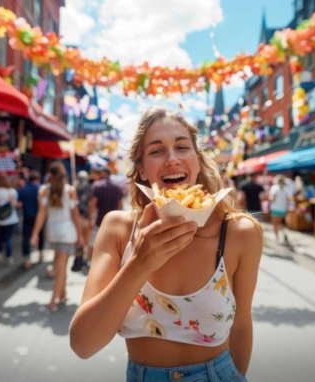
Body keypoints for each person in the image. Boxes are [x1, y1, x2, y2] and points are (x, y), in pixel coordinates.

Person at [69, 108, 262, 381]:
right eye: (156, 151)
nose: (172, 159)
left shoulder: (240, 233)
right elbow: (83, 345)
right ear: (141, 170)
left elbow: (241, 326)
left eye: (182, 147)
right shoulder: (118, 228)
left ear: (197, 160)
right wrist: (140, 262)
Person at [31, 162, 84, 311]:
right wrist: (80, 236)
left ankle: (62, 294)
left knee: (58, 266)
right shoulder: (70, 191)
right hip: (67, 233)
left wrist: (35, 233)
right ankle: (54, 299)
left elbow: (41, 214)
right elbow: (76, 216)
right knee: (61, 267)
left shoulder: (43, 191)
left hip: (52, 233)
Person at [87, 165, 123, 265]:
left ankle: (90, 262)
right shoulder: (117, 187)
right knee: (110, 244)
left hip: (99, 219)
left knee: (93, 242)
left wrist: (90, 219)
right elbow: (120, 205)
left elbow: (92, 204)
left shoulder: (97, 185)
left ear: (102, 174)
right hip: (113, 222)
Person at [0, 174, 20, 266]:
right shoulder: (13, 191)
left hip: (0, 219)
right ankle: (9, 257)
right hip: (12, 219)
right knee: (8, 238)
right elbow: (16, 205)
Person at [18, 170, 44, 269]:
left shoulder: (23, 189)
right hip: (39, 218)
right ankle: (41, 254)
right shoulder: (41, 189)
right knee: (40, 235)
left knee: (26, 237)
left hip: (27, 217)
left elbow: (19, 204)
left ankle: (27, 260)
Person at [72, 170, 93, 272]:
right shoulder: (89, 188)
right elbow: (90, 204)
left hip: (78, 218)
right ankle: (83, 260)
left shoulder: (75, 188)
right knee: (86, 241)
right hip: (85, 218)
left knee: (79, 241)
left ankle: (79, 261)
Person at [268, 174, 290, 243]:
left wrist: (269, 199)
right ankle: (284, 234)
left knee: (275, 223)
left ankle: (276, 237)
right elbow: (288, 199)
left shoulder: (274, 187)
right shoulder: (286, 188)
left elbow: (272, 198)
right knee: (281, 223)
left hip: (275, 208)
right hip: (283, 209)